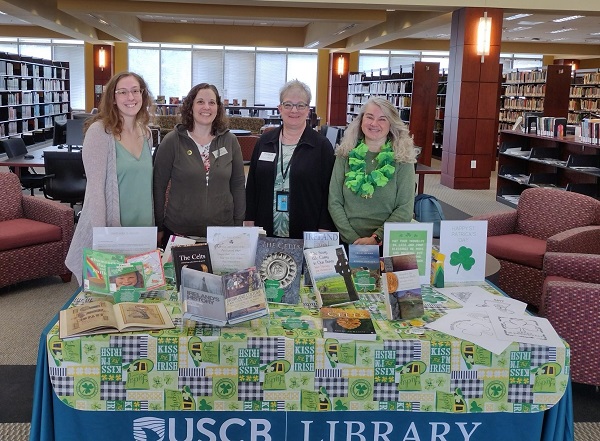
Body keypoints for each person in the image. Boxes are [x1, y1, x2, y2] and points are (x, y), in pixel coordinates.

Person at [65, 71, 154, 284]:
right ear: (113, 98)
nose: (130, 97)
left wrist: (153, 228)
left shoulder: (147, 133)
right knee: (109, 294)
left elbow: (146, 185)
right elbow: (95, 190)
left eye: (135, 91)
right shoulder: (99, 132)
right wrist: (102, 238)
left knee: (140, 292)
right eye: (122, 92)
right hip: (111, 227)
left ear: (143, 95)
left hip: (142, 227)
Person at [153, 83, 245, 248]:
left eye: (212, 102)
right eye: (200, 102)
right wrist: (158, 226)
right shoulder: (172, 141)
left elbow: (238, 185)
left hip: (222, 234)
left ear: (218, 107)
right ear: (190, 107)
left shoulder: (230, 141)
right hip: (179, 233)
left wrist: (238, 224)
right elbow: (158, 187)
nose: (206, 107)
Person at [245, 79, 335, 238]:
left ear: (308, 110)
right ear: (280, 108)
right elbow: (252, 185)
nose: (294, 110)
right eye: (288, 105)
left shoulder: (321, 146)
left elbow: (329, 192)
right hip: (265, 230)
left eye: (301, 105)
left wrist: (324, 229)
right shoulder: (264, 142)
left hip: (306, 231)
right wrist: (249, 220)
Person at [328, 97, 417, 248]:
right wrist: (353, 239)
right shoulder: (345, 154)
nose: (374, 124)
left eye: (382, 119)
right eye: (369, 117)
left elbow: (405, 208)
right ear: (361, 120)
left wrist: (376, 238)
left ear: (391, 124)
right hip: (348, 242)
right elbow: (334, 201)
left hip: (386, 243)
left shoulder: (403, 159)